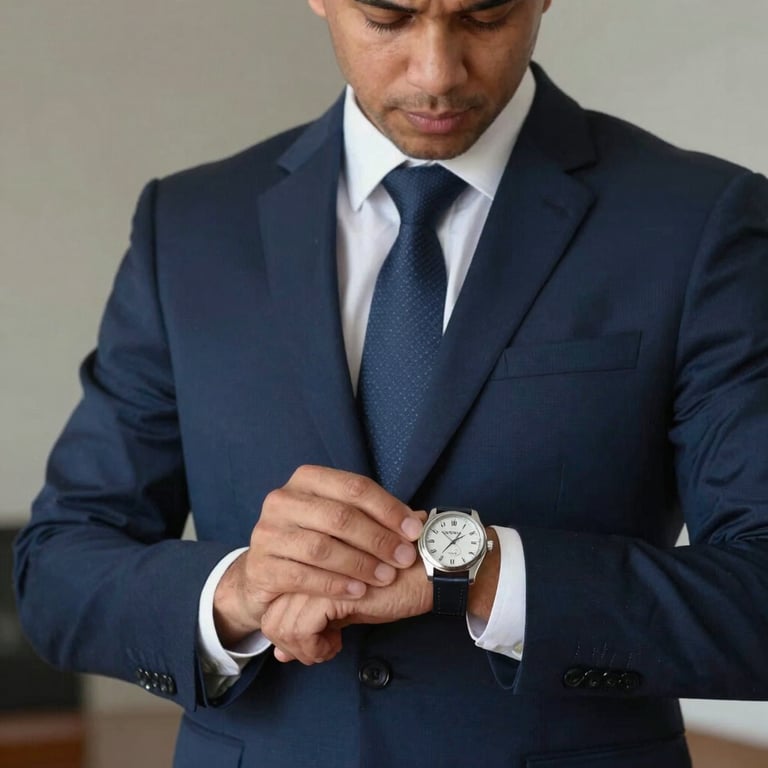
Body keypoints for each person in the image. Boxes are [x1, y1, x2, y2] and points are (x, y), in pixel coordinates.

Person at [14, 1, 768, 766]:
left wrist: (482, 570)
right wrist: (238, 591)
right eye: (388, 18)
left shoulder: (699, 223)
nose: (437, 73)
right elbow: (58, 570)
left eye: (485, 17)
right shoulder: (188, 227)